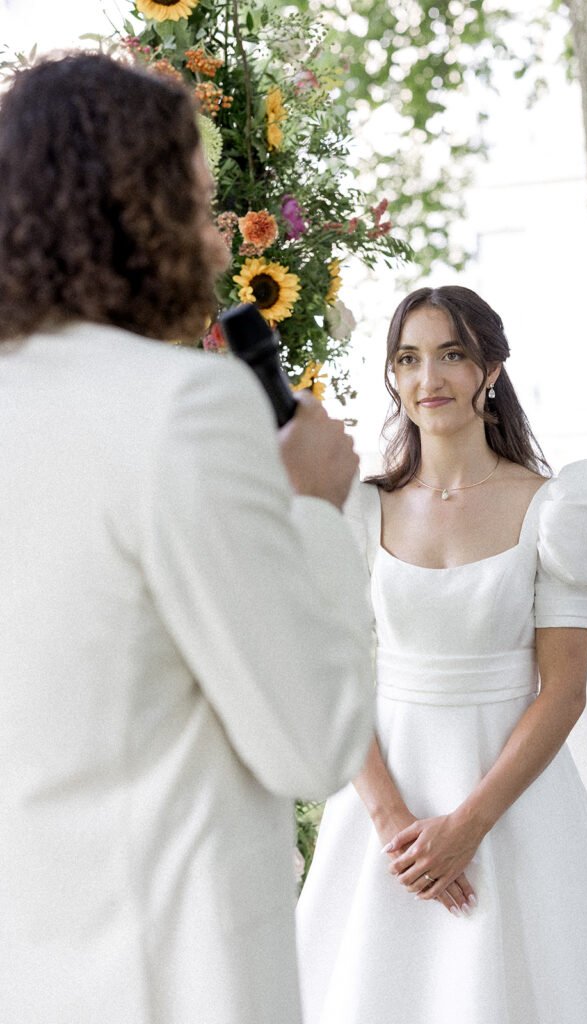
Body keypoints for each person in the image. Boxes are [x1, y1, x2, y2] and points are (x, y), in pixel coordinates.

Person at [0, 54, 375, 1024]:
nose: (214, 238)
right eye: (199, 201)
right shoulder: (184, 409)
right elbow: (310, 741)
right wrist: (313, 508)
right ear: (145, 213)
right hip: (170, 975)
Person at [296, 285, 587, 1023]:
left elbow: (563, 690)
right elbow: (334, 677)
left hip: (515, 802)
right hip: (387, 805)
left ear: (490, 370)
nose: (426, 379)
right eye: (407, 359)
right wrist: (394, 828)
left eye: (450, 356)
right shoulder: (360, 506)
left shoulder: (554, 509)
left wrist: (469, 824)